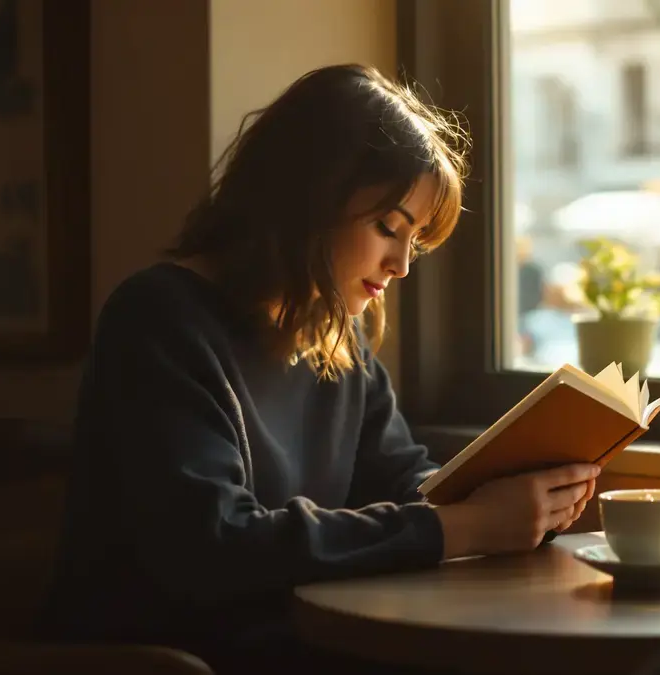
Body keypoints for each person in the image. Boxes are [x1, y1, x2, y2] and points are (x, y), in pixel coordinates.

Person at [38, 64, 598, 673]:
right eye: (389, 228)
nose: (401, 266)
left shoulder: (336, 339)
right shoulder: (157, 319)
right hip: (167, 660)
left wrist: (513, 497)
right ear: (309, 198)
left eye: (415, 242)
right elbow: (214, 546)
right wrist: (466, 529)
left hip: (300, 647)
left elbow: (402, 481)